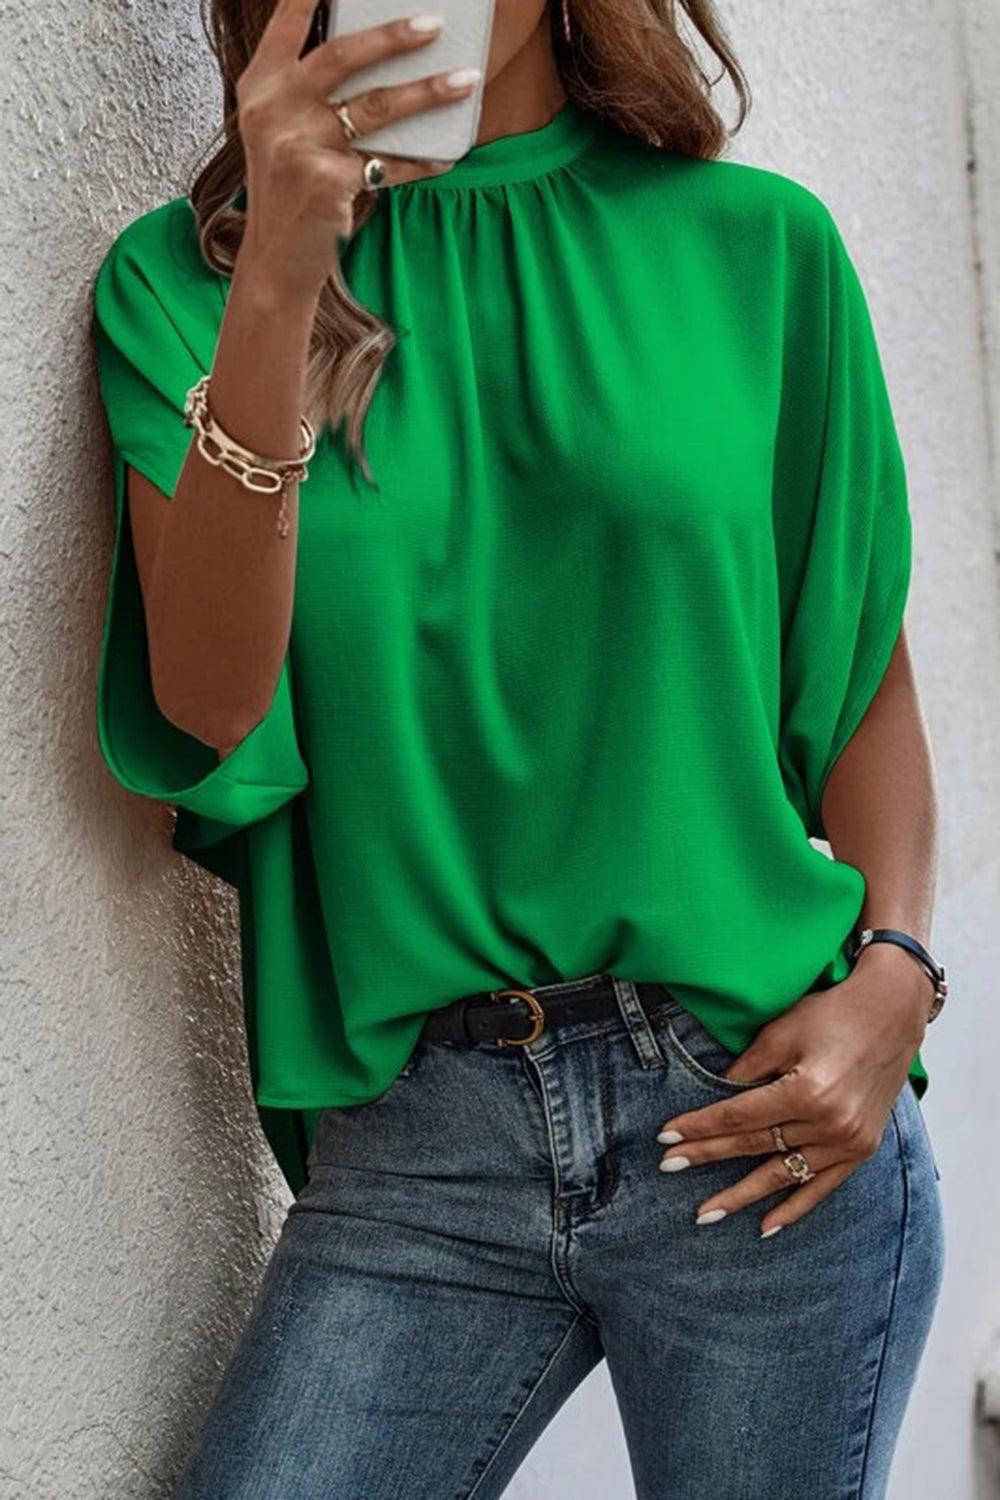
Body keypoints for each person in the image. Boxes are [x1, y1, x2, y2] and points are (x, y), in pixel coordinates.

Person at [90, 1, 947, 1495]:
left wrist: (899, 979)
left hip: (750, 1103)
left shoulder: (758, 247)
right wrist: (282, 267)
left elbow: (861, 682)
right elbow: (212, 701)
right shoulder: (182, 286)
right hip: (424, 1135)